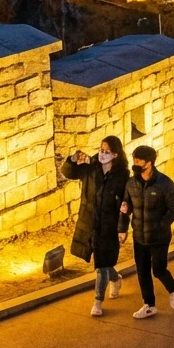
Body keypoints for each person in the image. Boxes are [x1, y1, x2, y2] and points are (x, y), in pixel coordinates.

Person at [63, 135, 129, 316]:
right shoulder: (90, 168)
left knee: (101, 264)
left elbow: (125, 204)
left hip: (109, 225)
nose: (102, 154)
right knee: (102, 261)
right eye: (101, 150)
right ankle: (115, 278)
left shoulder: (122, 176)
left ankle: (97, 302)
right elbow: (69, 173)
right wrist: (73, 160)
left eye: (107, 151)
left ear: (115, 155)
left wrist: (122, 228)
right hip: (90, 220)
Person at [119, 145, 174, 319]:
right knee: (142, 271)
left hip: (159, 237)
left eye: (139, 160)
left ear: (149, 162)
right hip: (139, 235)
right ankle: (149, 305)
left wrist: (161, 224)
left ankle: (173, 289)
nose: (135, 163)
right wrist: (122, 229)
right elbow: (125, 207)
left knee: (159, 270)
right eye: (134, 159)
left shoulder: (164, 183)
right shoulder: (131, 183)